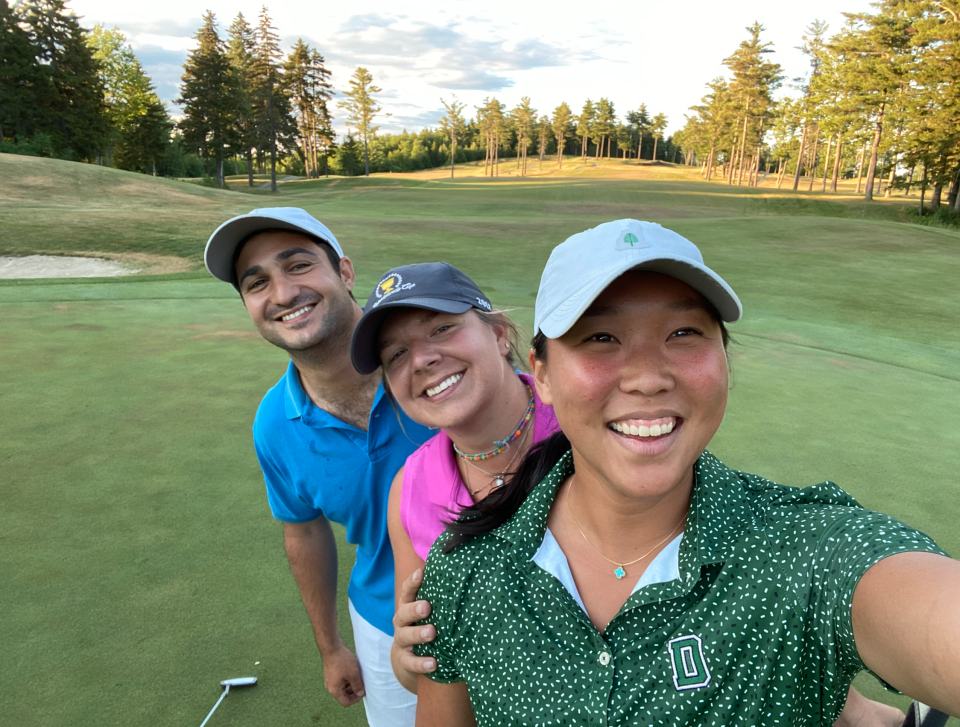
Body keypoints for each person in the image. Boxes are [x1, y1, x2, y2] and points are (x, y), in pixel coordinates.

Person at [406, 220, 960, 725]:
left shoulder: (806, 552)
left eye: (684, 333)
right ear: (542, 375)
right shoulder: (467, 565)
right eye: (601, 338)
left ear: (723, 356)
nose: (648, 378)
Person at [203, 207, 432, 727]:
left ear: (346, 274)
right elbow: (303, 533)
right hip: (383, 623)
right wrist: (330, 647)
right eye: (257, 282)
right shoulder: (274, 425)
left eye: (299, 266)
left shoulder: (438, 359)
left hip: (517, 603)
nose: (282, 294)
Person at [347, 262, 561, 692]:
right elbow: (417, 667)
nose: (423, 359)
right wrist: (407, 658)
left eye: (442, 329)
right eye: (397, 355)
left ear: (500, 334)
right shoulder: (408, 490)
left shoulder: (585, 423)